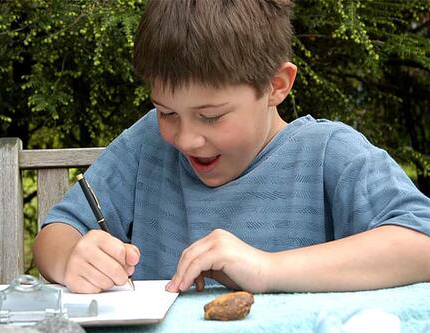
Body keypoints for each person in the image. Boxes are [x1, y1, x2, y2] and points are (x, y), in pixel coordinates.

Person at [32, 0, 430, 294]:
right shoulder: (146, 145)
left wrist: (267, 269)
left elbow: (421, 243)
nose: (185, 138)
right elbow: (57, 233)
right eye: (167, 112)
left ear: (276, 86)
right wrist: (72, 260)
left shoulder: (327, 152)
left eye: (211, 116)